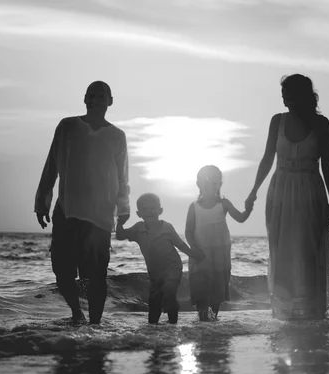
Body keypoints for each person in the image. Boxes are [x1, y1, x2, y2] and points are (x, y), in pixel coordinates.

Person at [34, 81, 130, 325]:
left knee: (96, 276)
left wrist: (124, 210)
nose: (97, 100)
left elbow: (122, 177)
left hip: (100, 218)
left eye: (102, 96)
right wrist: (42, 200)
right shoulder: (67, 126)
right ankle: (76, 312)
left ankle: (95, 325)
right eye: (92, 96)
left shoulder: (117, 136)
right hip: (67, 212)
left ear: (110, 101)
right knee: (62, 272)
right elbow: (51, 164)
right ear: (85, 99)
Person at [245, 74, 329, 320]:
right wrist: (254, 190)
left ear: (302, 97)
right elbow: (267, 158)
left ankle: (311, 311)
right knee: (282, 250)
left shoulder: (322, 124)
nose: (285, 101)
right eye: (283, 96)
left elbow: (327, 163)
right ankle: (286, 311)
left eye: (289, 96)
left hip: (311, 189)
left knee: (310, 251)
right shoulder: (278, 121)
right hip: (281, 190)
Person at [116, 193, 203, 324]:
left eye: (152, 208)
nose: (149, 211)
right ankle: (153, 328)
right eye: (145, 209)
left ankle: (173, 324)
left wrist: (193, 254)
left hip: (173, 268)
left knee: (169, 291)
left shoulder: (167, 227)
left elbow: (180, 244)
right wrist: (120, 222)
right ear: (139, 214)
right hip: (154, 272)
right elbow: (120, 236)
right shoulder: (138, 229)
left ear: (160, 210)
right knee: (154, 299)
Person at [185, 165, 252, 321]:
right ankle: (203, 321)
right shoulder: (193, 207)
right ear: (198, 184)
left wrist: (249, 207)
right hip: (200, 254)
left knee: (217, 291)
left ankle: (213, 321)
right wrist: (194, 248)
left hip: (220, 255)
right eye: (206, 182)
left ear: (219, 184)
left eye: (214, 182)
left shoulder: (224, 204)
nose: (210, 186)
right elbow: (188, 231)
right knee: (201, 290)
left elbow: (241, 218)